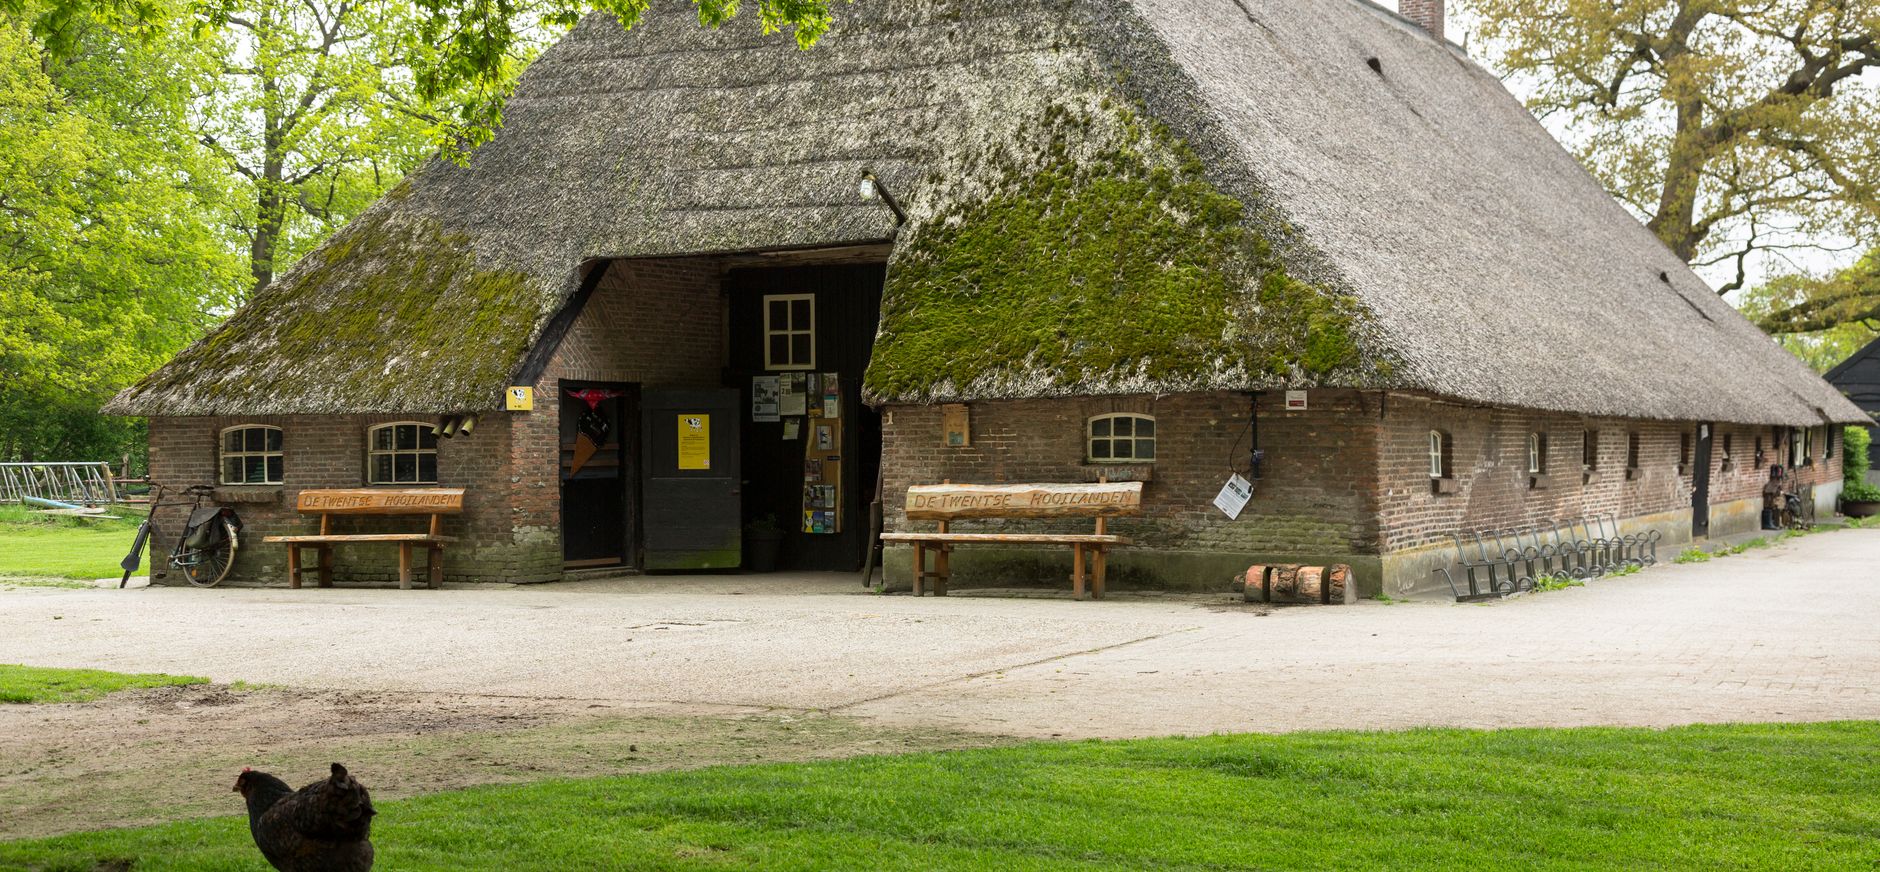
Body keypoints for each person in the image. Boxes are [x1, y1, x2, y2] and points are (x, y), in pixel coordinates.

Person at [1761, 465, 1787, 530]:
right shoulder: (1772, 483)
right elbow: (1770, 491)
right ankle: (1768, 524)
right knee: (1771, 508)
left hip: (1773, 500)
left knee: (1776, 508)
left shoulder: (1776, 483)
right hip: (1770, 500)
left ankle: (1772, 523)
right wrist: (1779, 492)